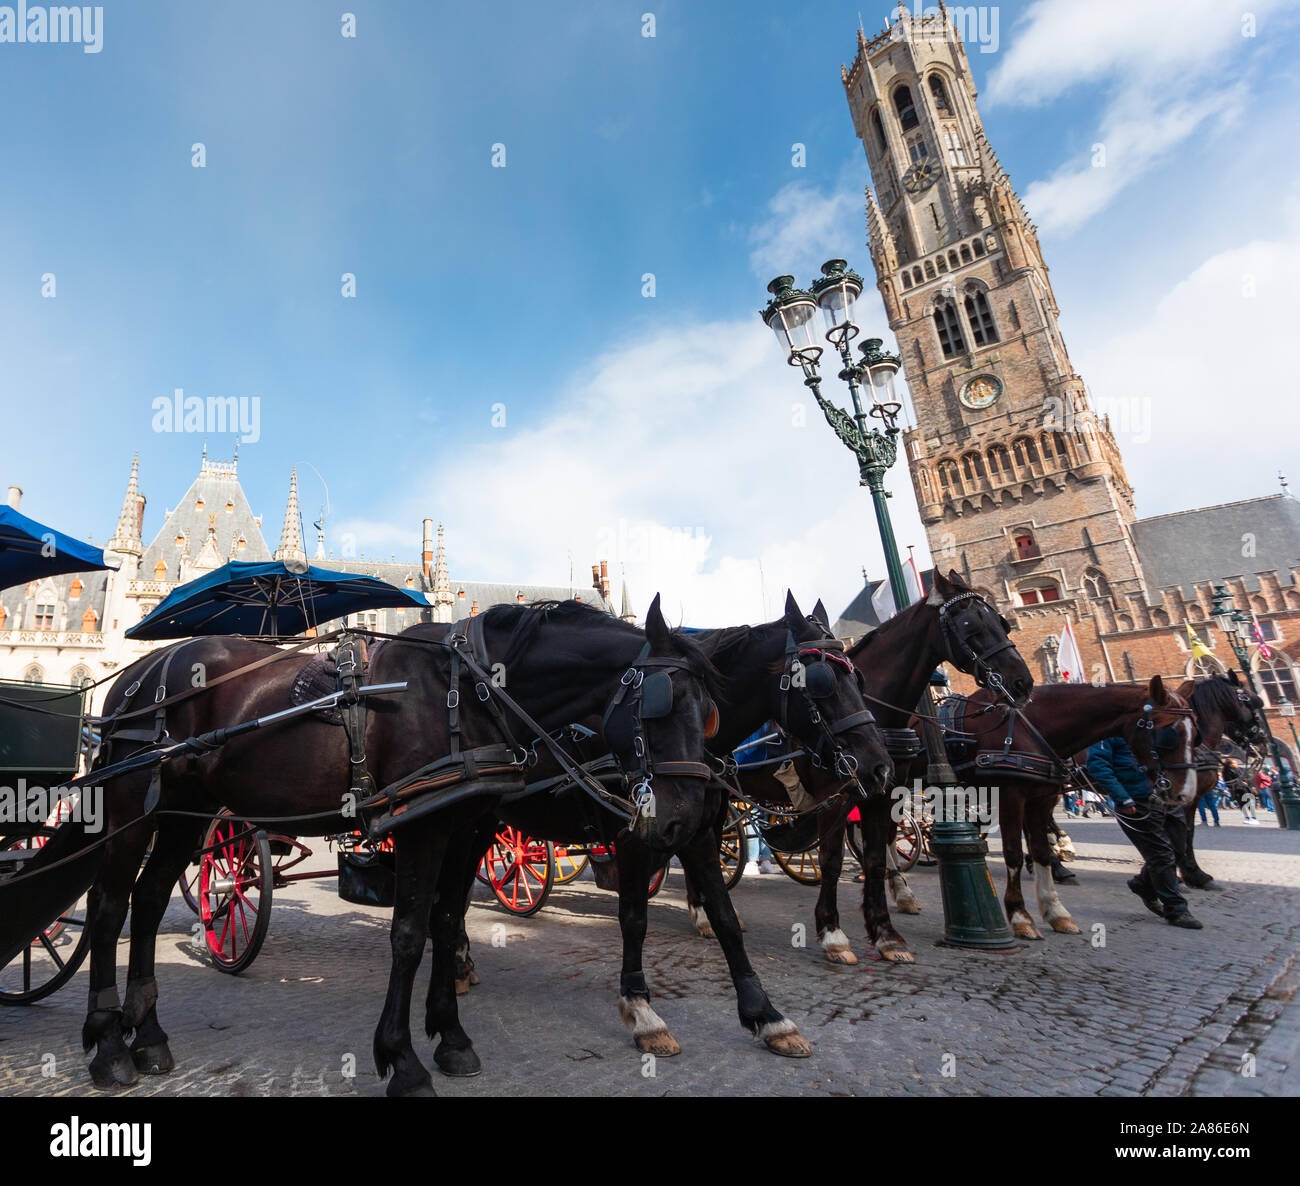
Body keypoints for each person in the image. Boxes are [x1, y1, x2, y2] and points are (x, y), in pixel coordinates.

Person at [1086, 734, 1202, 928]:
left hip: (1166, 796)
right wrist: (1122, 798)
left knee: (1179, 849)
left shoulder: (1154, 725)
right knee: (1161, 855)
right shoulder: (1108, 732)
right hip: (1137, 800)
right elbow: (1098, 766)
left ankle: (1144, 884)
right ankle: (1176, 909)